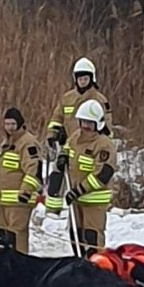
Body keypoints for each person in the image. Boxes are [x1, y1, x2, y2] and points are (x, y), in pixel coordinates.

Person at [44, 57, 112, 215]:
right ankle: (53, 210)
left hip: (89, 146)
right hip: (69, 144)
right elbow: (57, 117)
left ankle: (80, 202)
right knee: (57, 174)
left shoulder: (99, 100)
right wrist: (53, 134)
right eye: (80, 78)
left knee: (83, 177)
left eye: (85, 78)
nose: (82, 81)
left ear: (91, 79)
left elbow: (106, 126)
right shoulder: (67, 98)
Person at [51, 99, 115, 253]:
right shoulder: (76, 137)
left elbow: (102, 175)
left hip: (94, 201)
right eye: (83, 122)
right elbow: (67, 148)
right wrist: (62, 157)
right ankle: (79, 265)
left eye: (89, 123)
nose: (85, 126)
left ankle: (97, 269)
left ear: (98, 124)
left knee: (91, 237)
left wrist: (78, 190)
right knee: (75, 235)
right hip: (76, 199)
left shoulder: (104, 144)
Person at [0, 107, 41, 254]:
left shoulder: (27, 143)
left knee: (17, 236)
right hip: (5, 201)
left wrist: (25, 192)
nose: (10, 128)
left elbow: (34, 170)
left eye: (13, 124)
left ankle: (20, 266)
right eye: (7, 124)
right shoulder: (8, 143)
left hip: (19, 201)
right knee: (4, 235)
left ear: (19, 124)